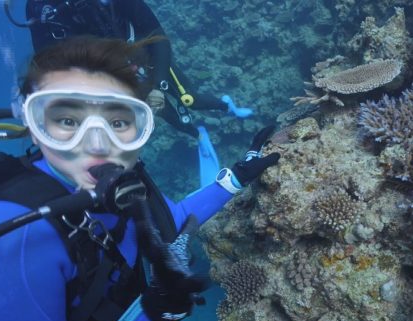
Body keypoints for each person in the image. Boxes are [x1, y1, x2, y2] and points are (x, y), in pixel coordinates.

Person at [0, 36, 279, 321]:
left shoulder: (123, 185)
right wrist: (156, 317)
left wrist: (235, 178)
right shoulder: (8, 241)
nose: (98, 145)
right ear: (34, 127)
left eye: (118, 123)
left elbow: (171, 219)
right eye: (67, 121)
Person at [20, 0, 254, 186]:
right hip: (111, 78)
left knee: (188, 99)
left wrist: (158, 84)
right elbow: (48, 64)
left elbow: (159, 38)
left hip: (145, 58)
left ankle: (226, 105)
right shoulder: (41, 8)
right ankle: (197, 134)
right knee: (158, 110)